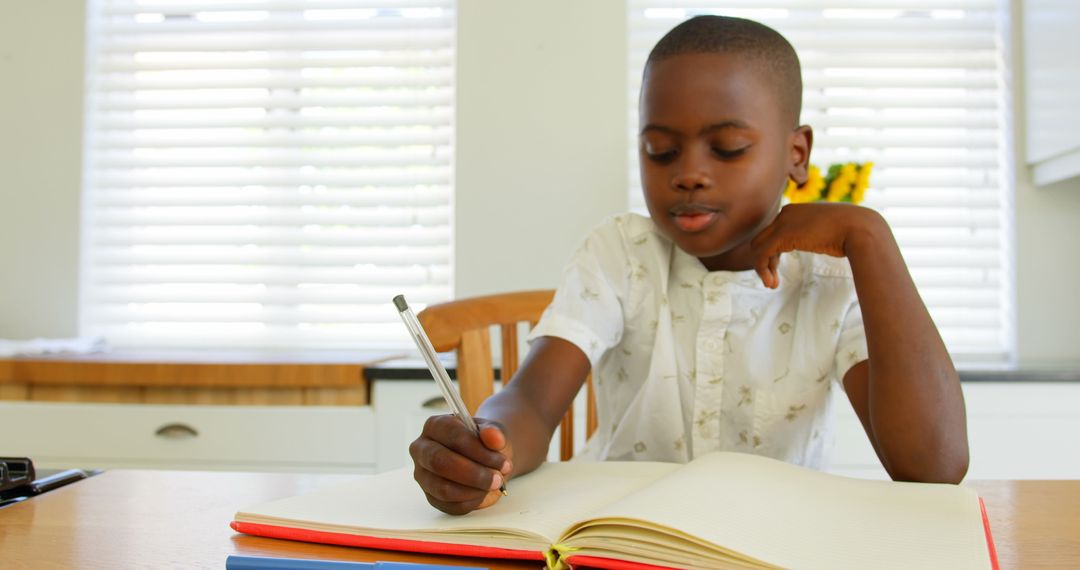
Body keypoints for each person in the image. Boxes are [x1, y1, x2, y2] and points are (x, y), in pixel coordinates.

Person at [409, 15, 970, 516]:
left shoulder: (831, 277)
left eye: (726, 148)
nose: (690, 174)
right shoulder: (620, 253)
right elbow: (530, 402)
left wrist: (870, 237)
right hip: (620, 533)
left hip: (771, 543)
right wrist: (486, 443)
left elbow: (932, 467)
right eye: (660, 151)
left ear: (796, 154)